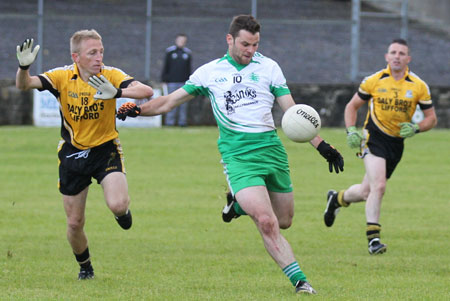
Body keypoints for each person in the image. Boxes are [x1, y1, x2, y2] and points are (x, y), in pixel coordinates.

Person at [117, 15, 344, 295]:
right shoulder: (210, 73)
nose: (251, 50)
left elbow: (293, 112)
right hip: (238, 156)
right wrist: (138, 109)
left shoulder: (269, 67)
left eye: (255, 44)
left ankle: (236, 205)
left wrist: (323, 146)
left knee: (284, 220)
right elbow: (168, 102)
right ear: (230, 40)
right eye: (246, 44)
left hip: (272, 152)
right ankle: (300, 282)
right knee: (266, 221)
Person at [15, 30, 153, 279]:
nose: (99, 57)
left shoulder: (111, 75)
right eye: (92, 53)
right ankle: (85, 267)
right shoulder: (61, 77)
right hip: (73, 154)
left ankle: (122, 213)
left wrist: (117, 93)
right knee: (75, 223)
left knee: (118, 204)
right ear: (76, 56)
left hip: (105, 149)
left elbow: (146, 91)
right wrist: (23, 67)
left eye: (101, 51)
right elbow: (24, 85)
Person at [324, 38, 437, 255]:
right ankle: (373, 239)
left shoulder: (418, 86)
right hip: (373, 138)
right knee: (379, 186)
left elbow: (431, 119)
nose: (397, 56)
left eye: (402, 53)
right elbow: (352, 106)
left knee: (367, 191)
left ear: (408, 58)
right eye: (393, 52)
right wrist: (351, 131)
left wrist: (416, 128)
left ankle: (337, 199)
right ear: (386, 56)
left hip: (396, 144)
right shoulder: (374, 81)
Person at [161, 33, 192, 126]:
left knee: (183, 104)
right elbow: (165, 66)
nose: (181, 42)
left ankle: (182, 122)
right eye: (180, 40)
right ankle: (169, 122)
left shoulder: (187, 53)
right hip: (172, 82)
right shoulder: (170, 52)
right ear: (176, 40)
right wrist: (164, 80)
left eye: (183, 40)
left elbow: (189, 69)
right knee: (171, 102)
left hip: (183, 83)